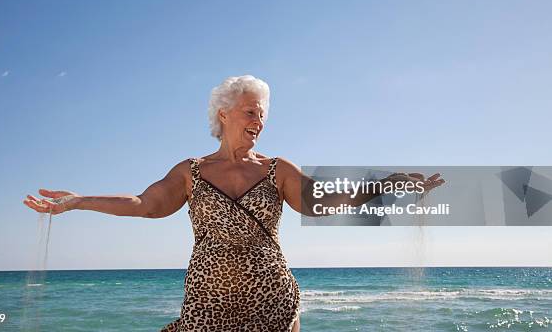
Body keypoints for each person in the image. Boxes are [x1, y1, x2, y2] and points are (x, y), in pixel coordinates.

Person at [23, 75, 444, 331]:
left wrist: (387, 185)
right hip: (208, 302)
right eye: (249, 113)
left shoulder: (277, 168)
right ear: (224, 114)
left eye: (261, 115)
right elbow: (144, 203)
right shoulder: (190, 171)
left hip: (271, 299)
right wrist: (78, 201)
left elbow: (321, 202)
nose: (257, 122)